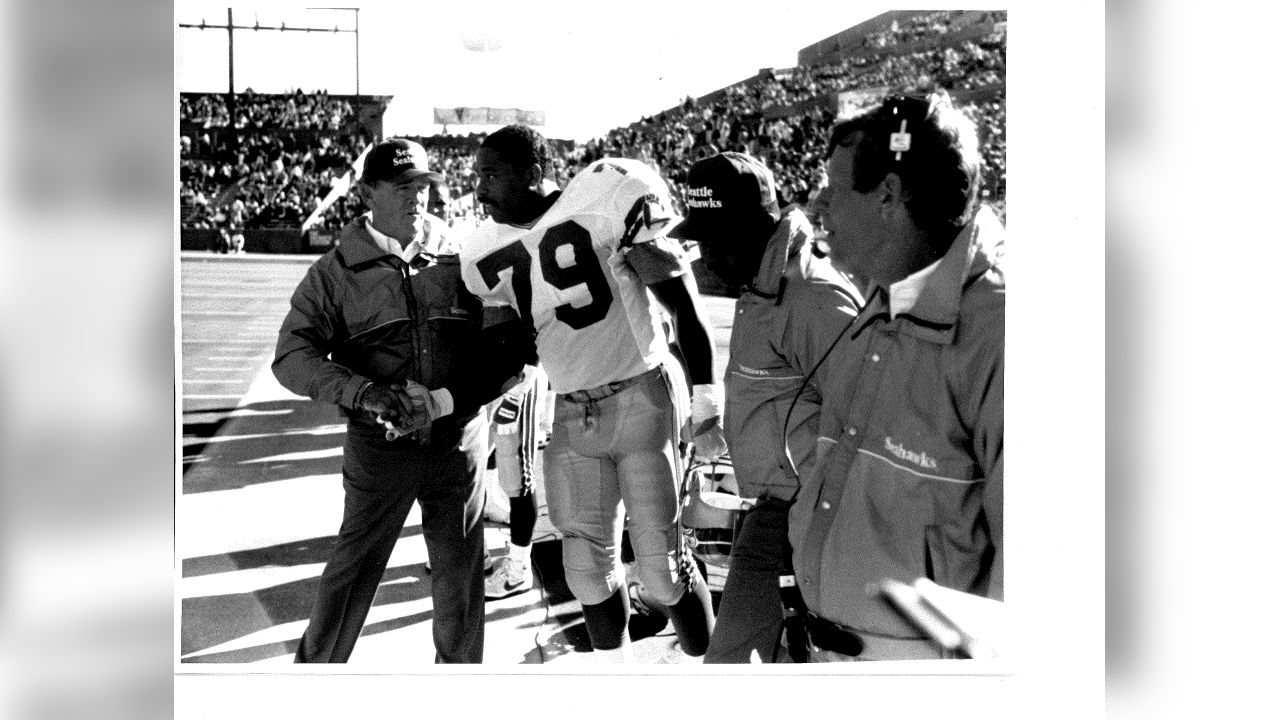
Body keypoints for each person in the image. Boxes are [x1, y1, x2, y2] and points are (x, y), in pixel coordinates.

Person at [459, 125, 724, 662]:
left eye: (491, 175)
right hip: (573, 410)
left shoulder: (604, 198)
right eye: (476, 176)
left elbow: (683, 308)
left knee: (663, 568)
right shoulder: (486, 248)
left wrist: (706, 402)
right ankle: (616, 679)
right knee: (585, 571)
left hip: (642, 394)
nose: (479, 189)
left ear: (533, 173)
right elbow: (507, 352)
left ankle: (710, 674)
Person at [273, 137, 533, 663]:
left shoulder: (467, 256)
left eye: (423, 186)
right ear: (368, 192)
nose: (418, 197)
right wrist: (365, 393)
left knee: (460, 583)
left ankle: (457, 692)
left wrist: (449, 398)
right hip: (379, 449)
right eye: (402, 186)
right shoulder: (335, 273)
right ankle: (309, 685)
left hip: (457, 445)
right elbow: (291, 356)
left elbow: (507, 347)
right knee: (351, 575)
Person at [789, 90, 1004, 661]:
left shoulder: (1002, 327)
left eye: (832, 192)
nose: (819, 210)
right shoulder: (886, 295)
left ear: (887, 195)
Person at [667, 152, 862, 663]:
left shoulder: (816, 297)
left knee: (738, 667)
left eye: (714, 238)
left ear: (755, 226)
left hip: (815, 521)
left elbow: (870, 424)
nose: (703, 256)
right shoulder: (761, 283)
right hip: (771, 511)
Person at [484, 363, 553, 600]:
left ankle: (518, 572)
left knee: (517, 475)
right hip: (487, 372)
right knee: (477, 453)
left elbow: (534, 333)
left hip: (517, 378)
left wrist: (516, 393)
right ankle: (489, 504)